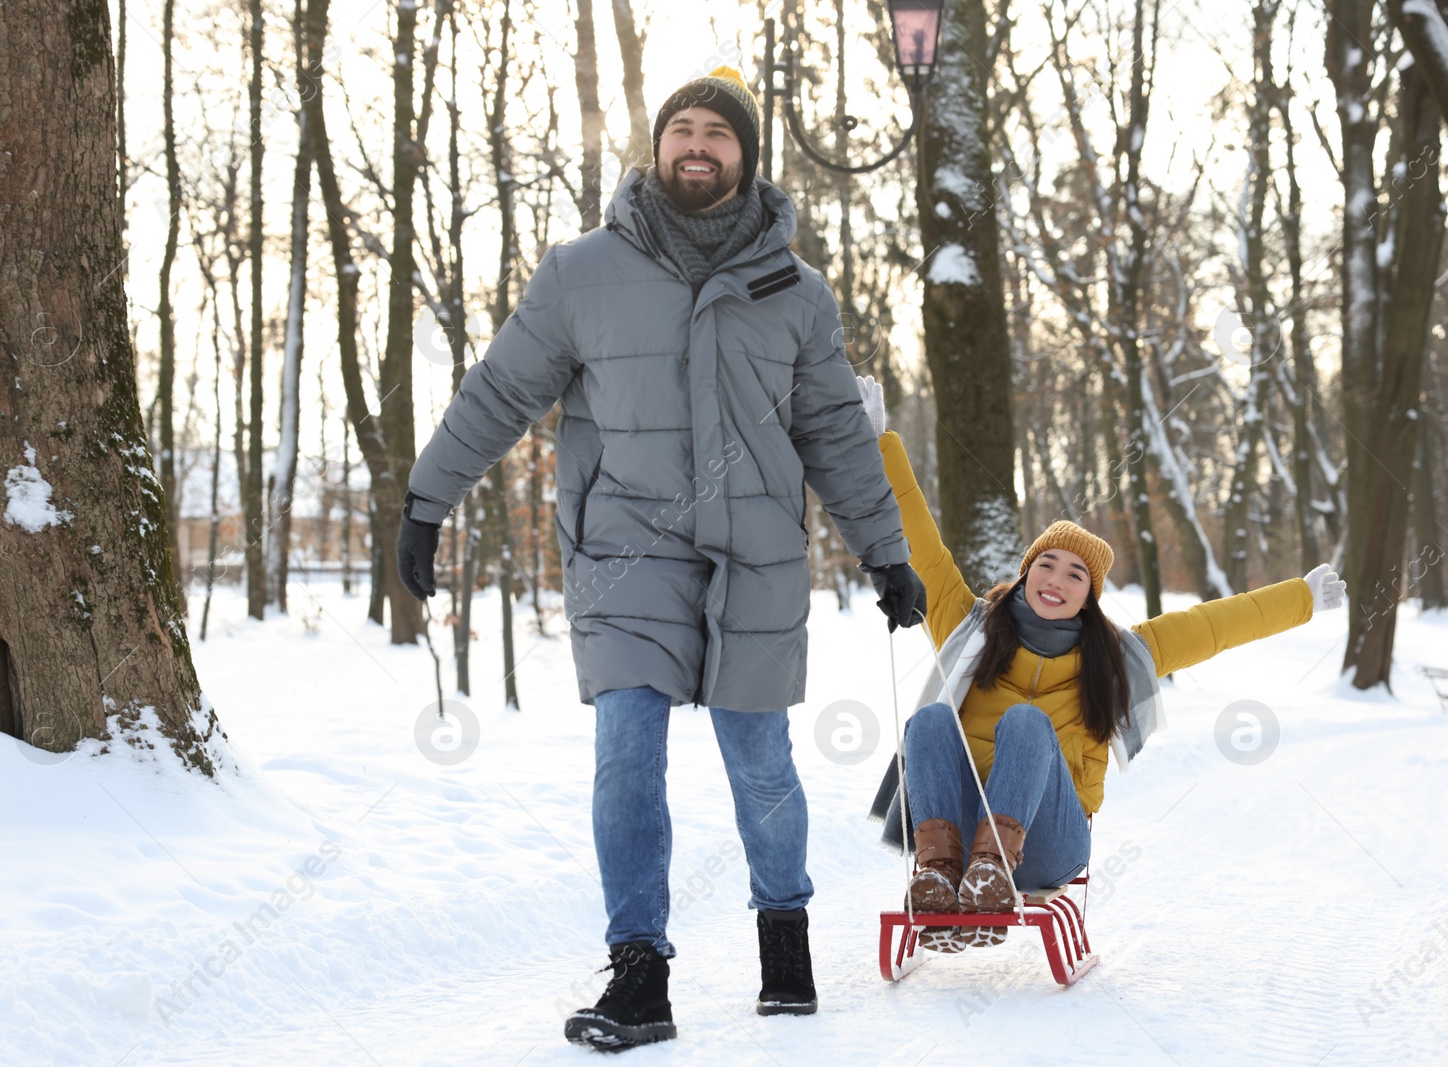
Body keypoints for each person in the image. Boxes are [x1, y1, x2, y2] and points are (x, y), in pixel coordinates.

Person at [396, 68, 926, 1050]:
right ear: (657, 148)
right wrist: (430, 499)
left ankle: (785, 943)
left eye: (716, 134)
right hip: (626, 546)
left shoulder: (797, 294)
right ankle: (639, 971)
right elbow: (499, 389)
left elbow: (836, 435)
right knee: (626, 750)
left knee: (760, 761)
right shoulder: (580, 272)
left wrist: (884, 551)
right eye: (679, 128)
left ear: (745, 158)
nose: (696, 144)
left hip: (757, 553)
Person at [857, 376, 1346, 951]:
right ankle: (939, 878)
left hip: (1050, 843)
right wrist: (877, 444)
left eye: (1076, 574)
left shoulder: (1118, 655)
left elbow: (1217, 624)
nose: (1057, 580)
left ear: (1090, 594)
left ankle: (993, 875)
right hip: (960, 833)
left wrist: (1303, 597)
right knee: (930, 721)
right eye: (1048, 564)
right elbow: (921, 540)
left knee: (1026, 723)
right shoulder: (971, 625)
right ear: (1027, 570)